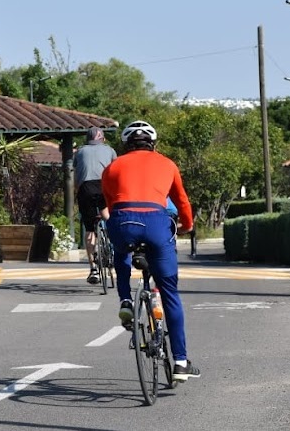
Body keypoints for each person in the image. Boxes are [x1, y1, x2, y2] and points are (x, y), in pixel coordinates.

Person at [101, 120, 201, 382]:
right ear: (153, 144)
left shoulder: (112, 167)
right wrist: (186, 226)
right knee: (170, 292)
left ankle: (125, 299)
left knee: (120, 254)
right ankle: (180, 362)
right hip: (157, 224)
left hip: (123, 222)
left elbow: (111, 205)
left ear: (126, 145)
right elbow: (182, 201)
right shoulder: (167, 164)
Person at [73, 126, 117, 285]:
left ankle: (93, 269)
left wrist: (78, 191)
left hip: (85, 189)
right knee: (108, 217)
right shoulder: (110, 151)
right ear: (103, 139)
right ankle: (113, 250)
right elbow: (116, 173)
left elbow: (76, 176)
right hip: (104, 187)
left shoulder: (80, 151)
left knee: (90, 230)